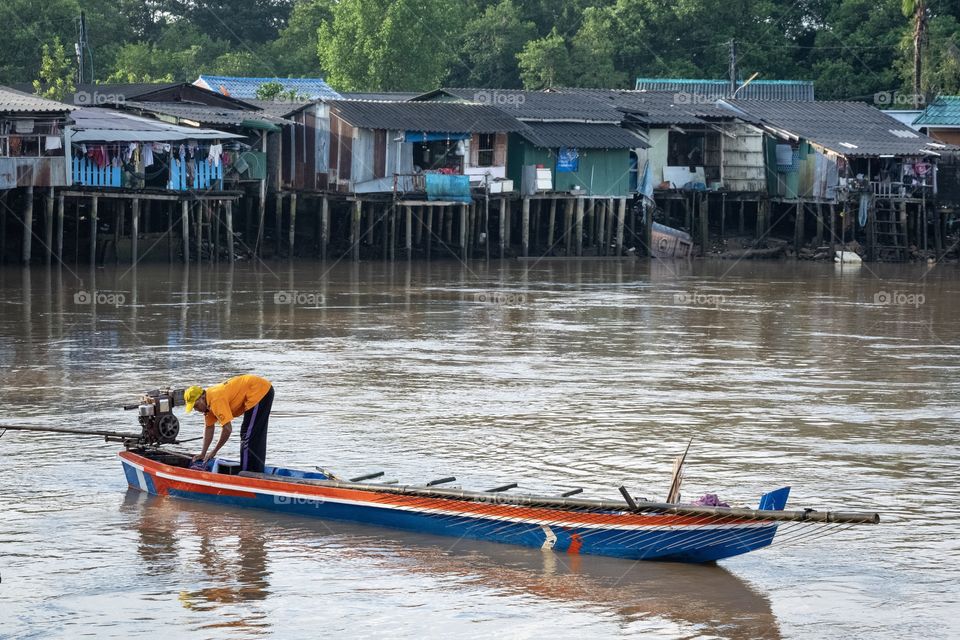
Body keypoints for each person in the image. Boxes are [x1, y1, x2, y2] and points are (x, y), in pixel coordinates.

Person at [183, 374, 274, 473]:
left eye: (196, 406)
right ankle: (254, 470)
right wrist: (203, 453)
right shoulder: (207, 405)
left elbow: (227, 429)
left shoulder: (215, 400)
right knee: (249, 434)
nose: (196, 410)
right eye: (193, 408)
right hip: (258, 390)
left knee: (248, 435)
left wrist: (214, 451)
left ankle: (249, 472)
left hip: (259, 390)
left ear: (202, 397)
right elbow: (209, 428)